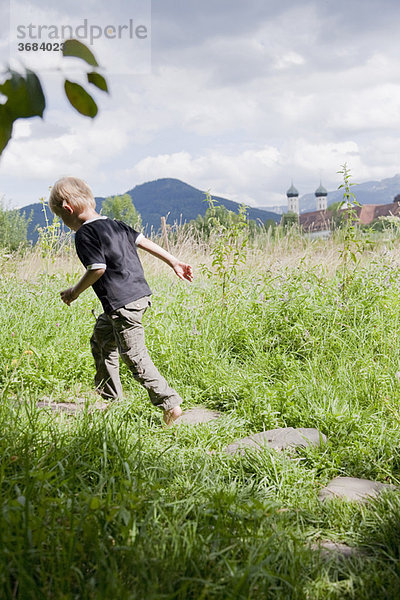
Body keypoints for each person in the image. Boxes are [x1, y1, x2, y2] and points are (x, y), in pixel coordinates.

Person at [49, 176, 193, 425]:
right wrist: (174, 261)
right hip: (136, 297)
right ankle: (111, 400)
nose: (64, 224)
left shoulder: (85, 234)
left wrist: (74, 291)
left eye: (61, 219)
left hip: (122, 304)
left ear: (67, 209)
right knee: (102, 340)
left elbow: (97, 268)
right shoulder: (116, 225)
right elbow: (145, 243)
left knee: (134, 357)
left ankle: (169, 403)